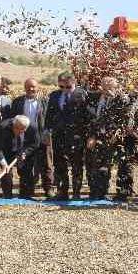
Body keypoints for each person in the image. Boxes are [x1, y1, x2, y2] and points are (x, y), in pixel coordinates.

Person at [85, 77, 133, 201]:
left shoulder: (122, 100)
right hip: (98, 137)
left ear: (115, 88)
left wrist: (116, 134)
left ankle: (118, 192)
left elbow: (125, 119)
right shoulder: (94, 98)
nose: (106, 89)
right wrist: (92, 135)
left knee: (116, 165)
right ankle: (98, 192)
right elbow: (91, 119)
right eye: (104, 86)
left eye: (109, 87)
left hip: (116, 138)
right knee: (98, 165)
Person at [10, 78, 54, 198]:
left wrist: (48, 134)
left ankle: (48, 190)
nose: (31, 89)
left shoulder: (45, 101)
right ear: (24, 88)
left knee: (46, 166)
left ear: (38, 87)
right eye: (28, 86)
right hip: (24, 139)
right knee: (25, 166)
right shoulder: (17, 102)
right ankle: (26, 192)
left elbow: (50, 119)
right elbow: (13, 121)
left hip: (43, 138)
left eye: (33, 86)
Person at [46, 72, 84, 200]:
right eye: (61, 87)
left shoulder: (82, 95)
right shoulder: (54, 95)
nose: (65, 90)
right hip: (58, 136)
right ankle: (63, 192)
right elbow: (49, 114)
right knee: (60, 165)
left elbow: (86, 117)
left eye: (68, 87)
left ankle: (77, 193)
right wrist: (47, 130)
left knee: (76, 166)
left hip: (75, 137)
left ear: (74, 83)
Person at [0, 115, 39, 198]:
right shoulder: (3, 127)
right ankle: (7, 195)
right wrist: (4, 163)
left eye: (23, 130)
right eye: (17, 129)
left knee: (26, 171)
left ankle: (25, 195)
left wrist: (25, 153)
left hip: (24, 150)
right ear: (13, 126)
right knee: (6, 173)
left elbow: (35, 143)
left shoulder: (33, 127)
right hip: (7, 151)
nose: (20, 132)